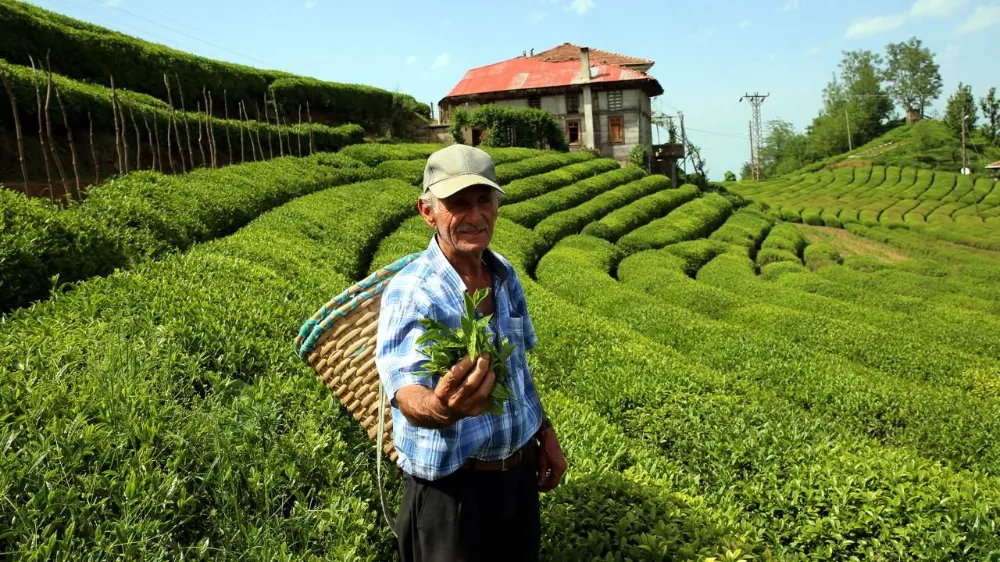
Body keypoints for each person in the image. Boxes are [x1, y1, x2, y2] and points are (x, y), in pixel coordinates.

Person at [375, 144, 567, 561]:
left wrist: (544, 431)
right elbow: (404, 391)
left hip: (515, 480)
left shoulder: (502, 273)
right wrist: (443, 408)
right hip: (451, 495)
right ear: (428, 212)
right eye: (457, 204)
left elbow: (518, 367)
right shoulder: (413, 292)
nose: (475, 216)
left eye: (484, 200)